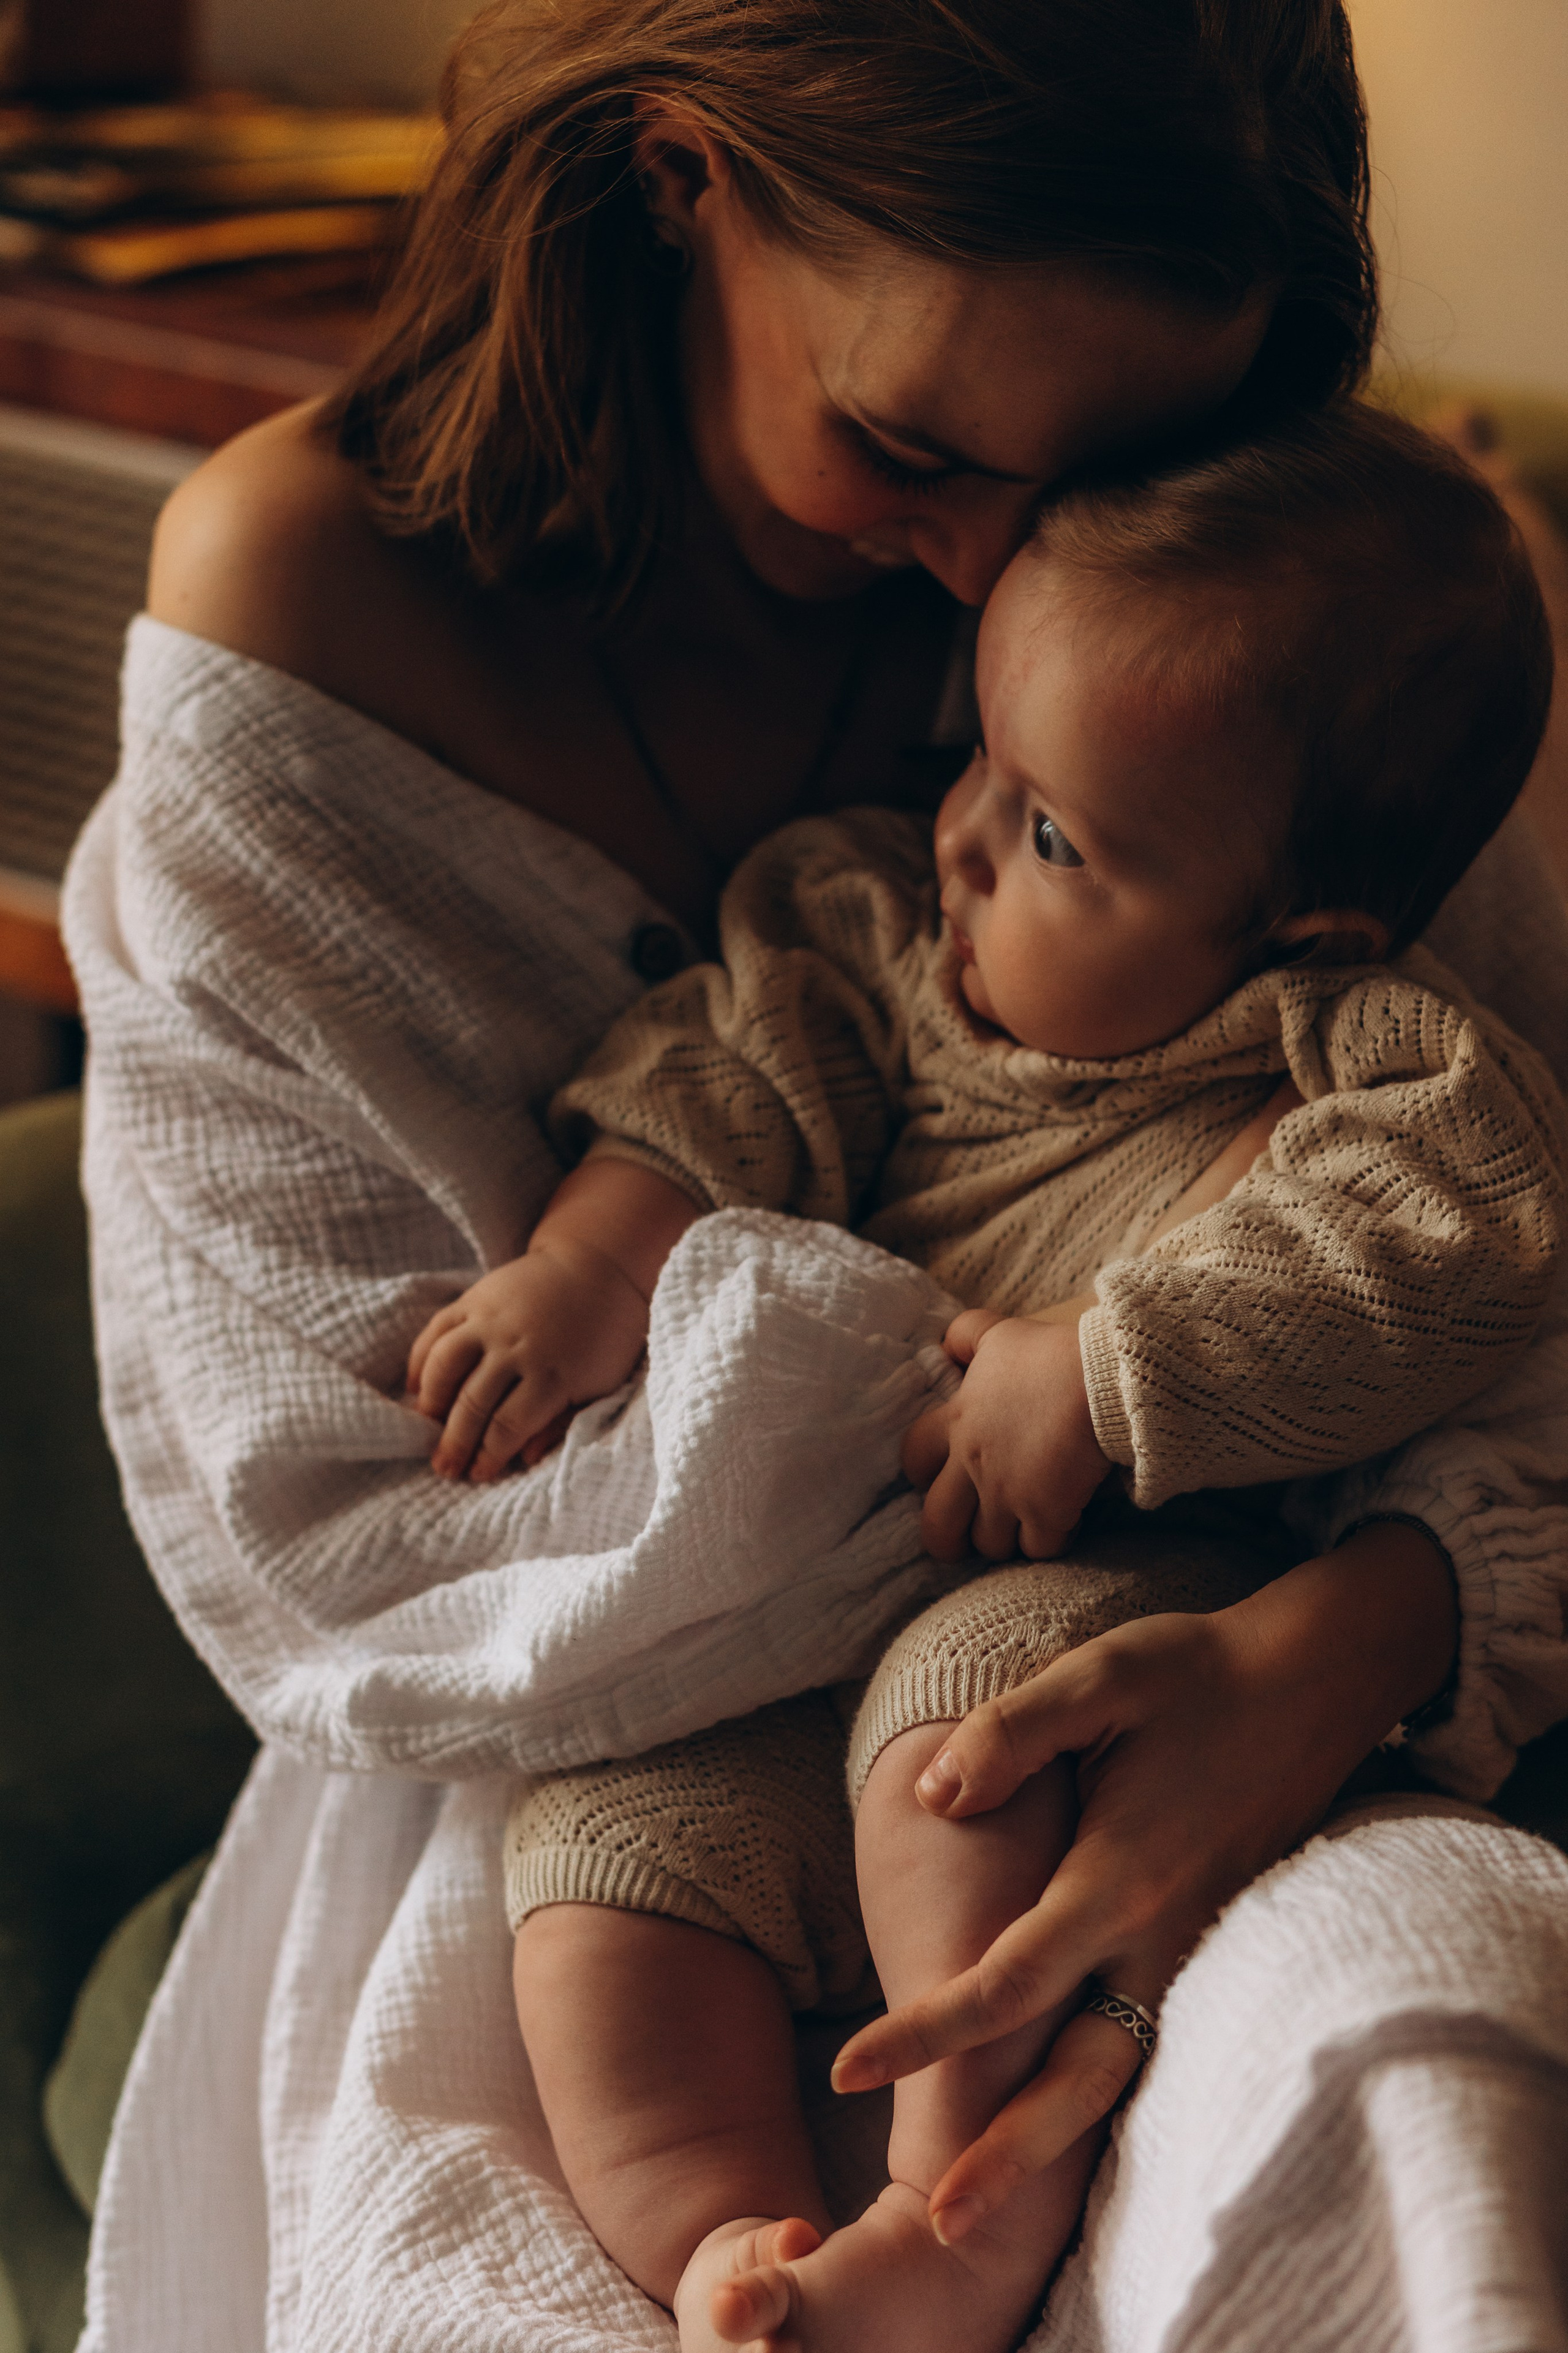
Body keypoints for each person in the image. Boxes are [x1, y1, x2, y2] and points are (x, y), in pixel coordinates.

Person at [65, 2, 1568, 2346]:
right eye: (904, 444)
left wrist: (1341, 1635)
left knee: (1419, 2082)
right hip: (545, 1738)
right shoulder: (311, 621)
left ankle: (963, 2189)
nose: (988, 580)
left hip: (1211, 1652)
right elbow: (359, 1547)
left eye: (1085, 490)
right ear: (683, 176)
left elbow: (1502, 1232)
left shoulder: (1273, 610)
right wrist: (823, 1339)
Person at [404, 401, 1561, 2353]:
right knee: (603, 1854)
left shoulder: (1365, 1060)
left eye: (1048, 832)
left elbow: (1464, 1239)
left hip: (1111, 1603)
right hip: (801, 1634)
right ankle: (724, 2242)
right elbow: (735, 1064)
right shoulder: (882, 940)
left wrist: (1112, 1368)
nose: (958, 834)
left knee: (963, 1733)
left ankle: (955, 2217)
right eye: (981, 753)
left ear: (1298, 924)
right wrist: (589, 1265)